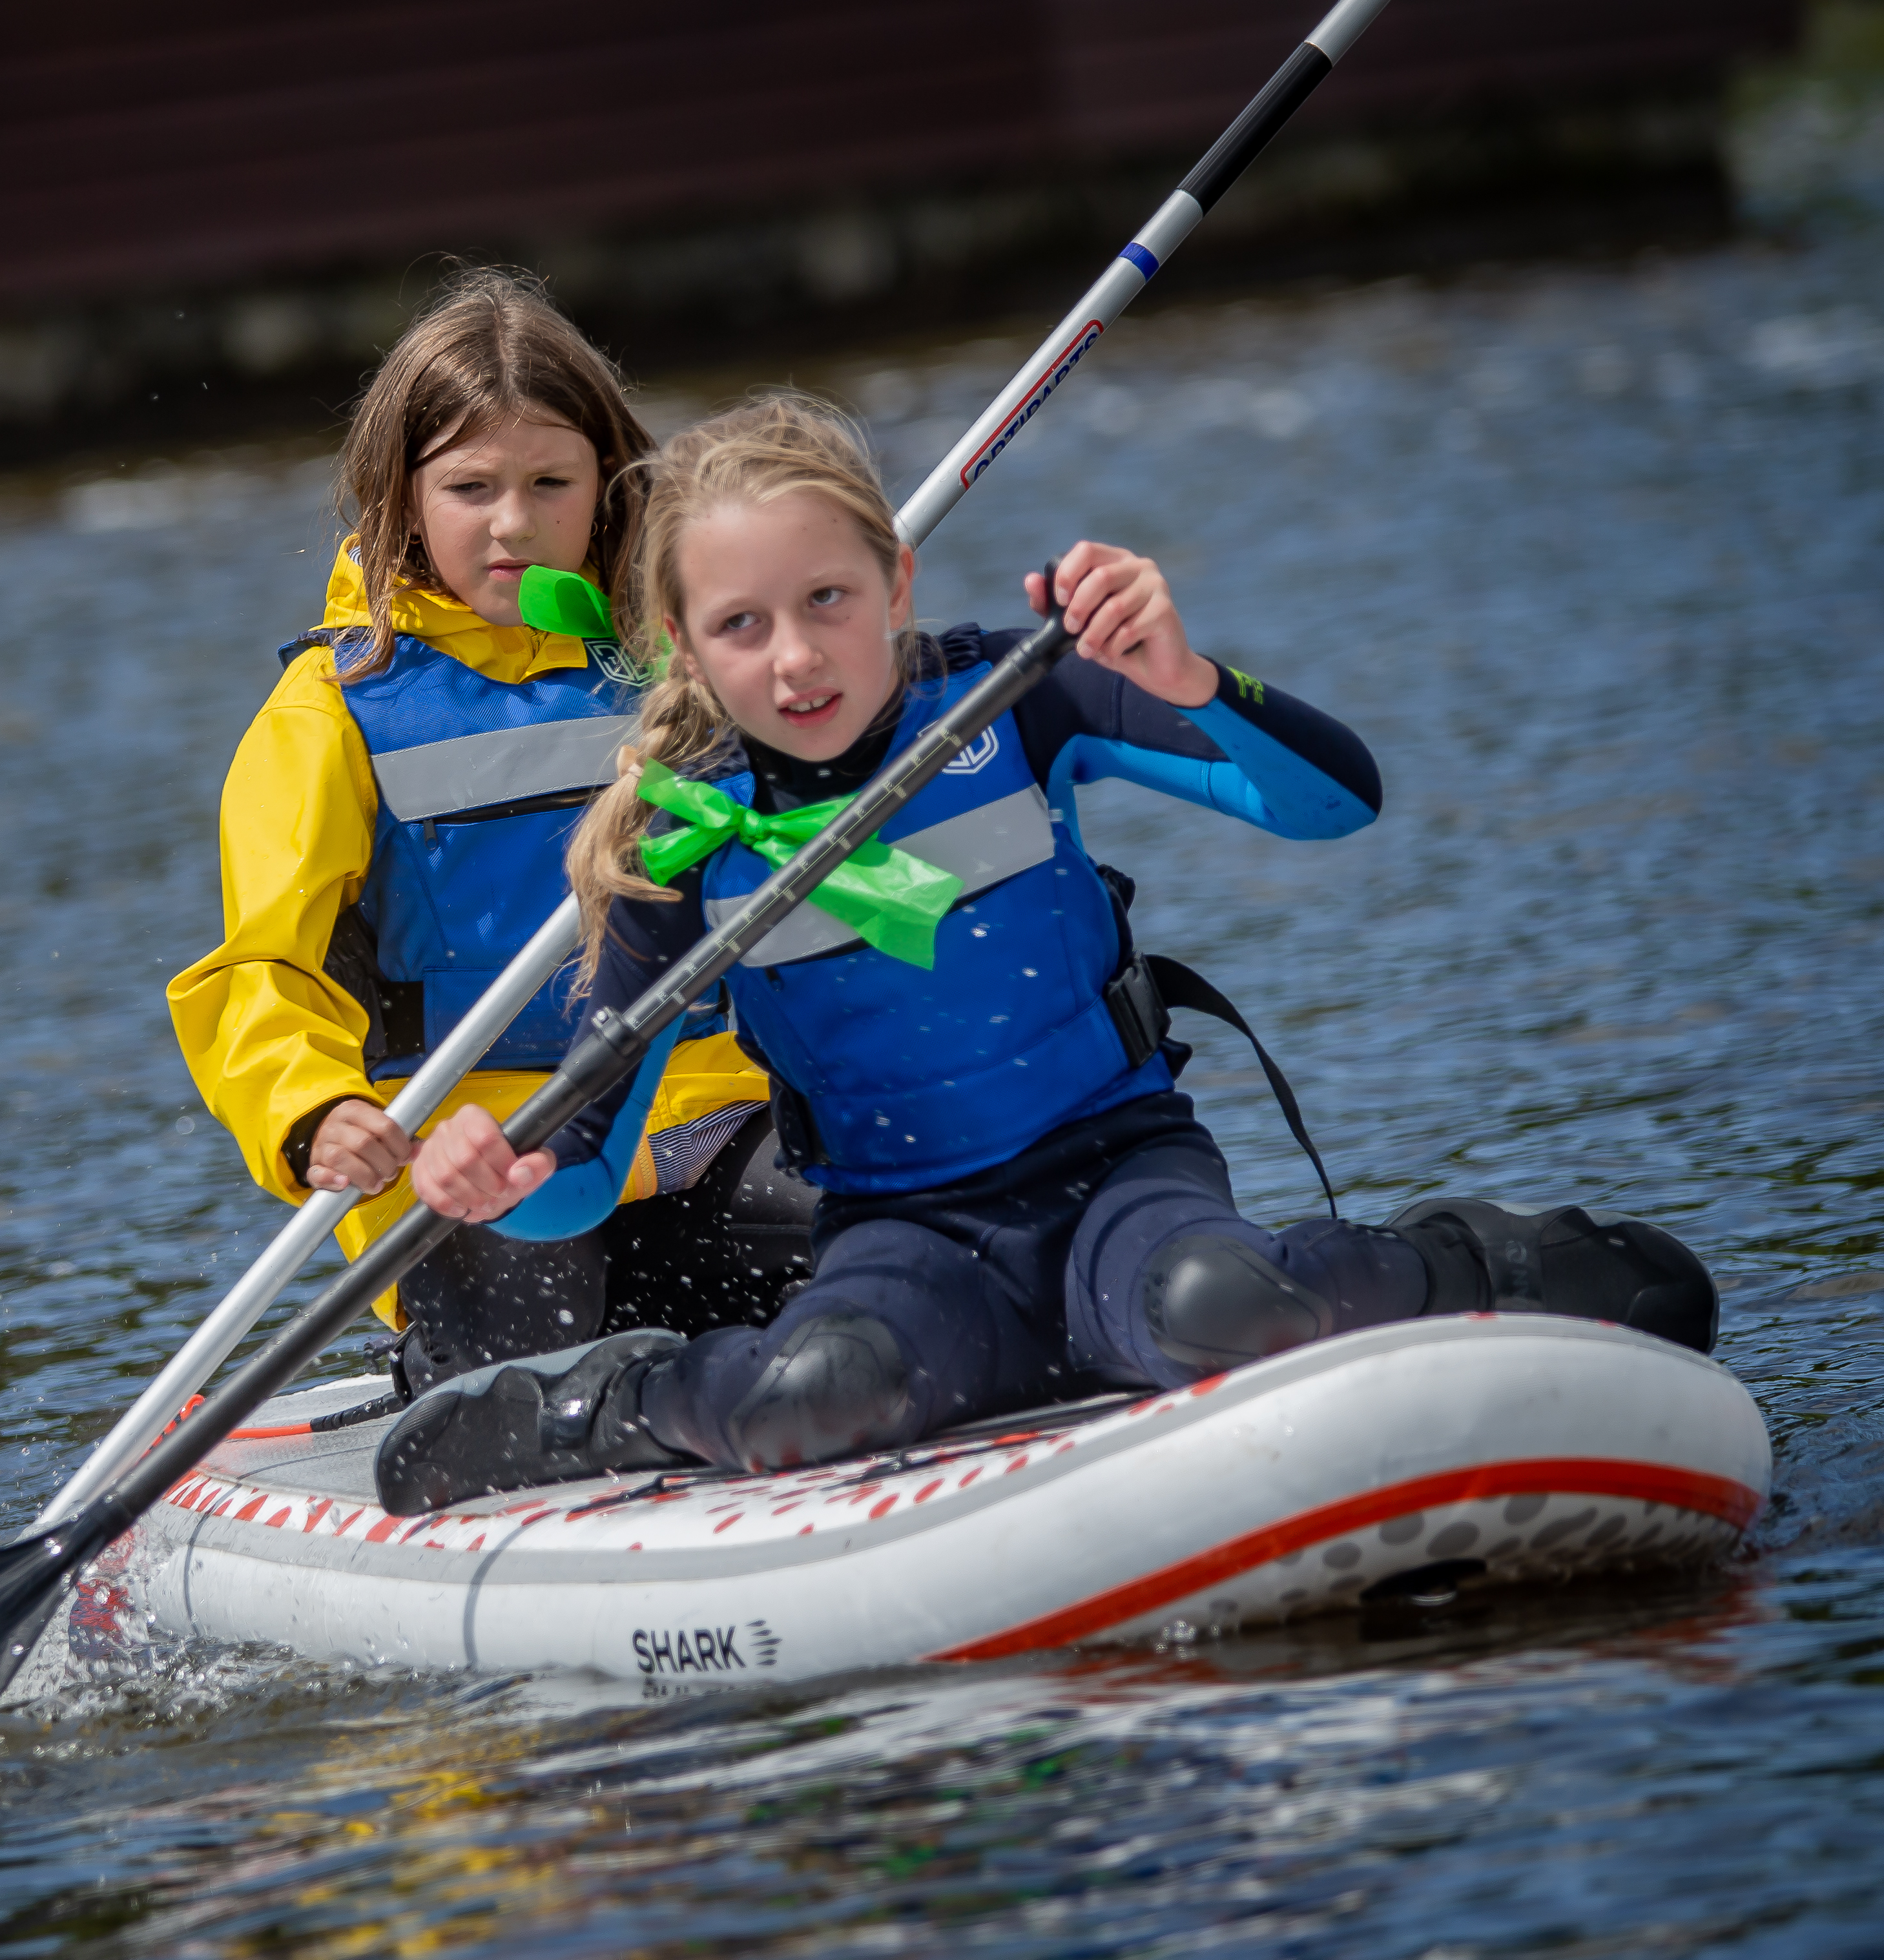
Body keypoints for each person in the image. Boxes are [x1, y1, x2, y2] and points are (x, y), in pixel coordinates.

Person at [377, 392, 1716, 1512]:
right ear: (679, 643)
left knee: (1219, 1305)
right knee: (816, 1398)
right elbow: (585, 1172)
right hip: (907, 1240)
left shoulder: (1018, 698)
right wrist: (500, 1179)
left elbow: (1334, 804)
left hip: (1118, 1182)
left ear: (895, 580)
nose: (795, 660)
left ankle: (1471, 1260)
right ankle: (613, 1404)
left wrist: (1197, 683)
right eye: (740, 626)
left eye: (828, 600)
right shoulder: (682, 856)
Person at [165, 271, 814, 1394]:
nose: (515, 524)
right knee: (541, 1333)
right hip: (482, 1169)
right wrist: (311, 1110)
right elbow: (264, 967)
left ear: (610, 489)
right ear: (400, 497)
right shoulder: (330, 713)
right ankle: (510, 1411)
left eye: (552, 482)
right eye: (471, 487)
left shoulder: (693, 659)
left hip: (712, 1128)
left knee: (901, 1214)